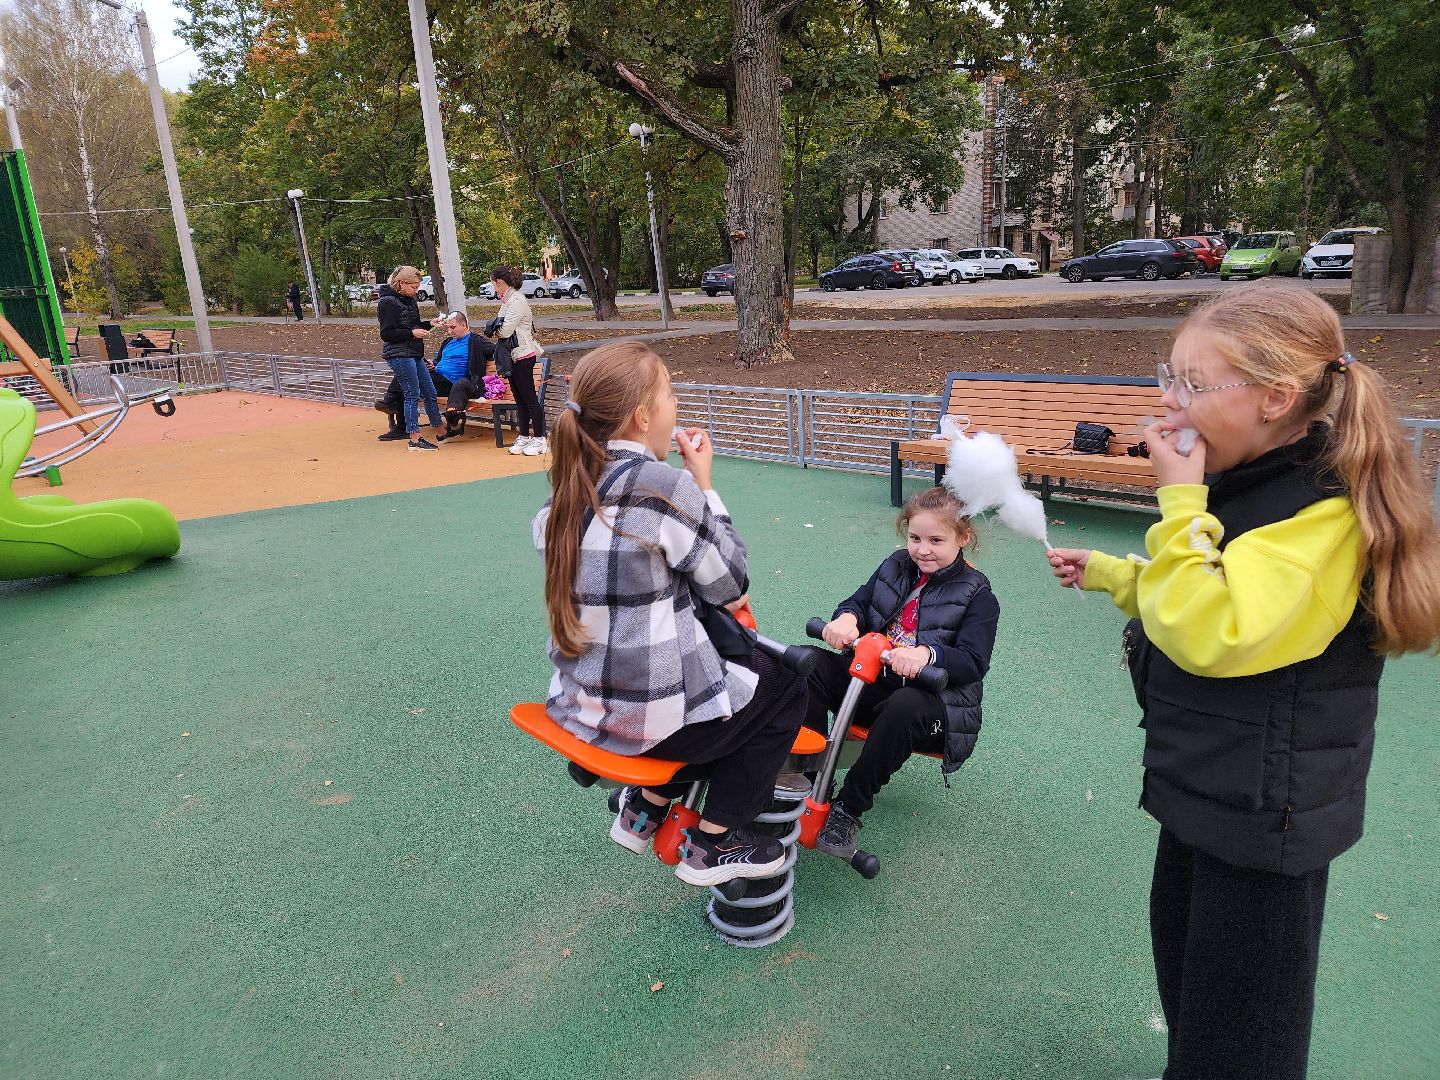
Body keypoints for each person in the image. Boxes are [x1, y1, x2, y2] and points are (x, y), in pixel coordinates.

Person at [1047, 284, 1440, 1080]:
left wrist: (1179, 498)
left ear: (1276, 398)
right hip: (1212, 790)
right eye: (1171, 374)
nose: (1168, 399)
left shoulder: (1319, 517)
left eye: (1193, 384)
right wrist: (1121, 576)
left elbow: (1213, 631)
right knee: (1194, 991)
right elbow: (1213, 582)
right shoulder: (1261, 485)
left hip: (1267, 827)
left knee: (1243, 1039)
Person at [533, 340, 807, 888]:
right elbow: (730, 584)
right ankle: (714, 841)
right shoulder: (664, 488)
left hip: (581, 709)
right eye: (670, 394)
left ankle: (644, 810)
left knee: (721, 685)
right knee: (785, 686)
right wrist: (705, 486)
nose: (675, 406)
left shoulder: (567, 490)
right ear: (643, 415)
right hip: (652, 725)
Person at [804, 485, 999, 856]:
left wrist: (928, 654)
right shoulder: (896, 564)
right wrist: (846, 619)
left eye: (936, 540)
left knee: (905, 705)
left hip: (933, 704)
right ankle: (811, 779)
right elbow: (859, 601)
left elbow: (974, 662)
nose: (923, 549)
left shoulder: (978, 594)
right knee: (807, 662)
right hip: (875, 683)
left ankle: (848, 808)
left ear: (963, 537)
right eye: (915, 537)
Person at [374, 311, 495, 439]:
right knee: (408, 375)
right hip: (437, 377)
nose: (450, 331)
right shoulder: (448, 342)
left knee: (410, 377)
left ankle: (393, 406)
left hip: (452, 384)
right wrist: (433, 364)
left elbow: (496, 350)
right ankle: (399, 421)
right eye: (448, 327)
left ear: (464, 325)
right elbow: (440, 360)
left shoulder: (477, 341)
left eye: (453, 327)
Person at [375, 265, 447, 451]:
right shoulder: (387, 302)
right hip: (399, 354)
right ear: (401, 283)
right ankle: (414, 438)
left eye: (417, 286)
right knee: (412, 394)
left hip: (414, 352)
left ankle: (440, 431)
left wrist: (429, 324)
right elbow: (387, 333)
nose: (416, 290)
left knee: (429, 392)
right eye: (414, 286)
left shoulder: (408, 300)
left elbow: (413, 325)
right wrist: (412, 333)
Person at [489, 265, 546, 457]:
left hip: (523, 354)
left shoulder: (516, 301)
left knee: (529, 398)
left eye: (492, 282)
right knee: (519, 399)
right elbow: (500, 326)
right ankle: (523, 436)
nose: (492, 286)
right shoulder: (507, 300)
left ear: (499, 282)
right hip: (512, 355)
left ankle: (539, 438)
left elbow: (503, 330)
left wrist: (495, 329)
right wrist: (497, 328)